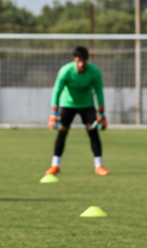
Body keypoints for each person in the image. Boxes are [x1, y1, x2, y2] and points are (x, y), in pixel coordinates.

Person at [46, 46, 109, 176]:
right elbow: (57, 90)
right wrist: (53, 112)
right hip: (67, 103)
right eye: (79, 61)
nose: (81, 64)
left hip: (87, 103)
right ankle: (55, 166)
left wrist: (102, 112)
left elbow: (98, 91)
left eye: (84, 61)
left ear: (87, 60)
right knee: (62, 131)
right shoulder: (66, 71)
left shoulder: (94, 71)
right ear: (75, 59)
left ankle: (99, 166)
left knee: (93, 131)